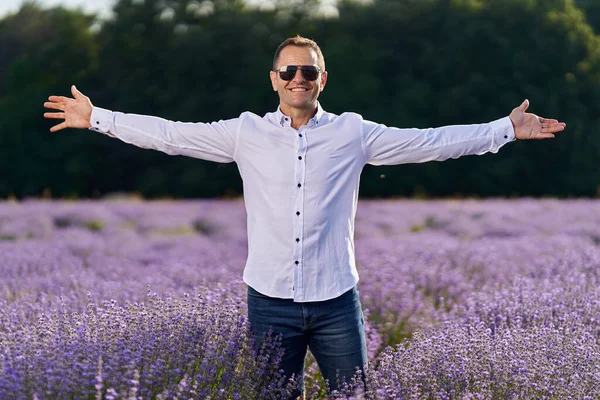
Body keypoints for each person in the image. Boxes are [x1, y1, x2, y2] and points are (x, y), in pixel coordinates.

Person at [44, 36, 566, 399]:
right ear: (274, 79)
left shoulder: (354, 133)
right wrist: (99, 119)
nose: (298, 78)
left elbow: (430, 143)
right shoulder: (246, 132)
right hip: (268, 301)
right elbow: (172, 135)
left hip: (337, 300)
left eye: (308, 70)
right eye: (289, 70)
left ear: (322, 79)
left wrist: (503, 129)